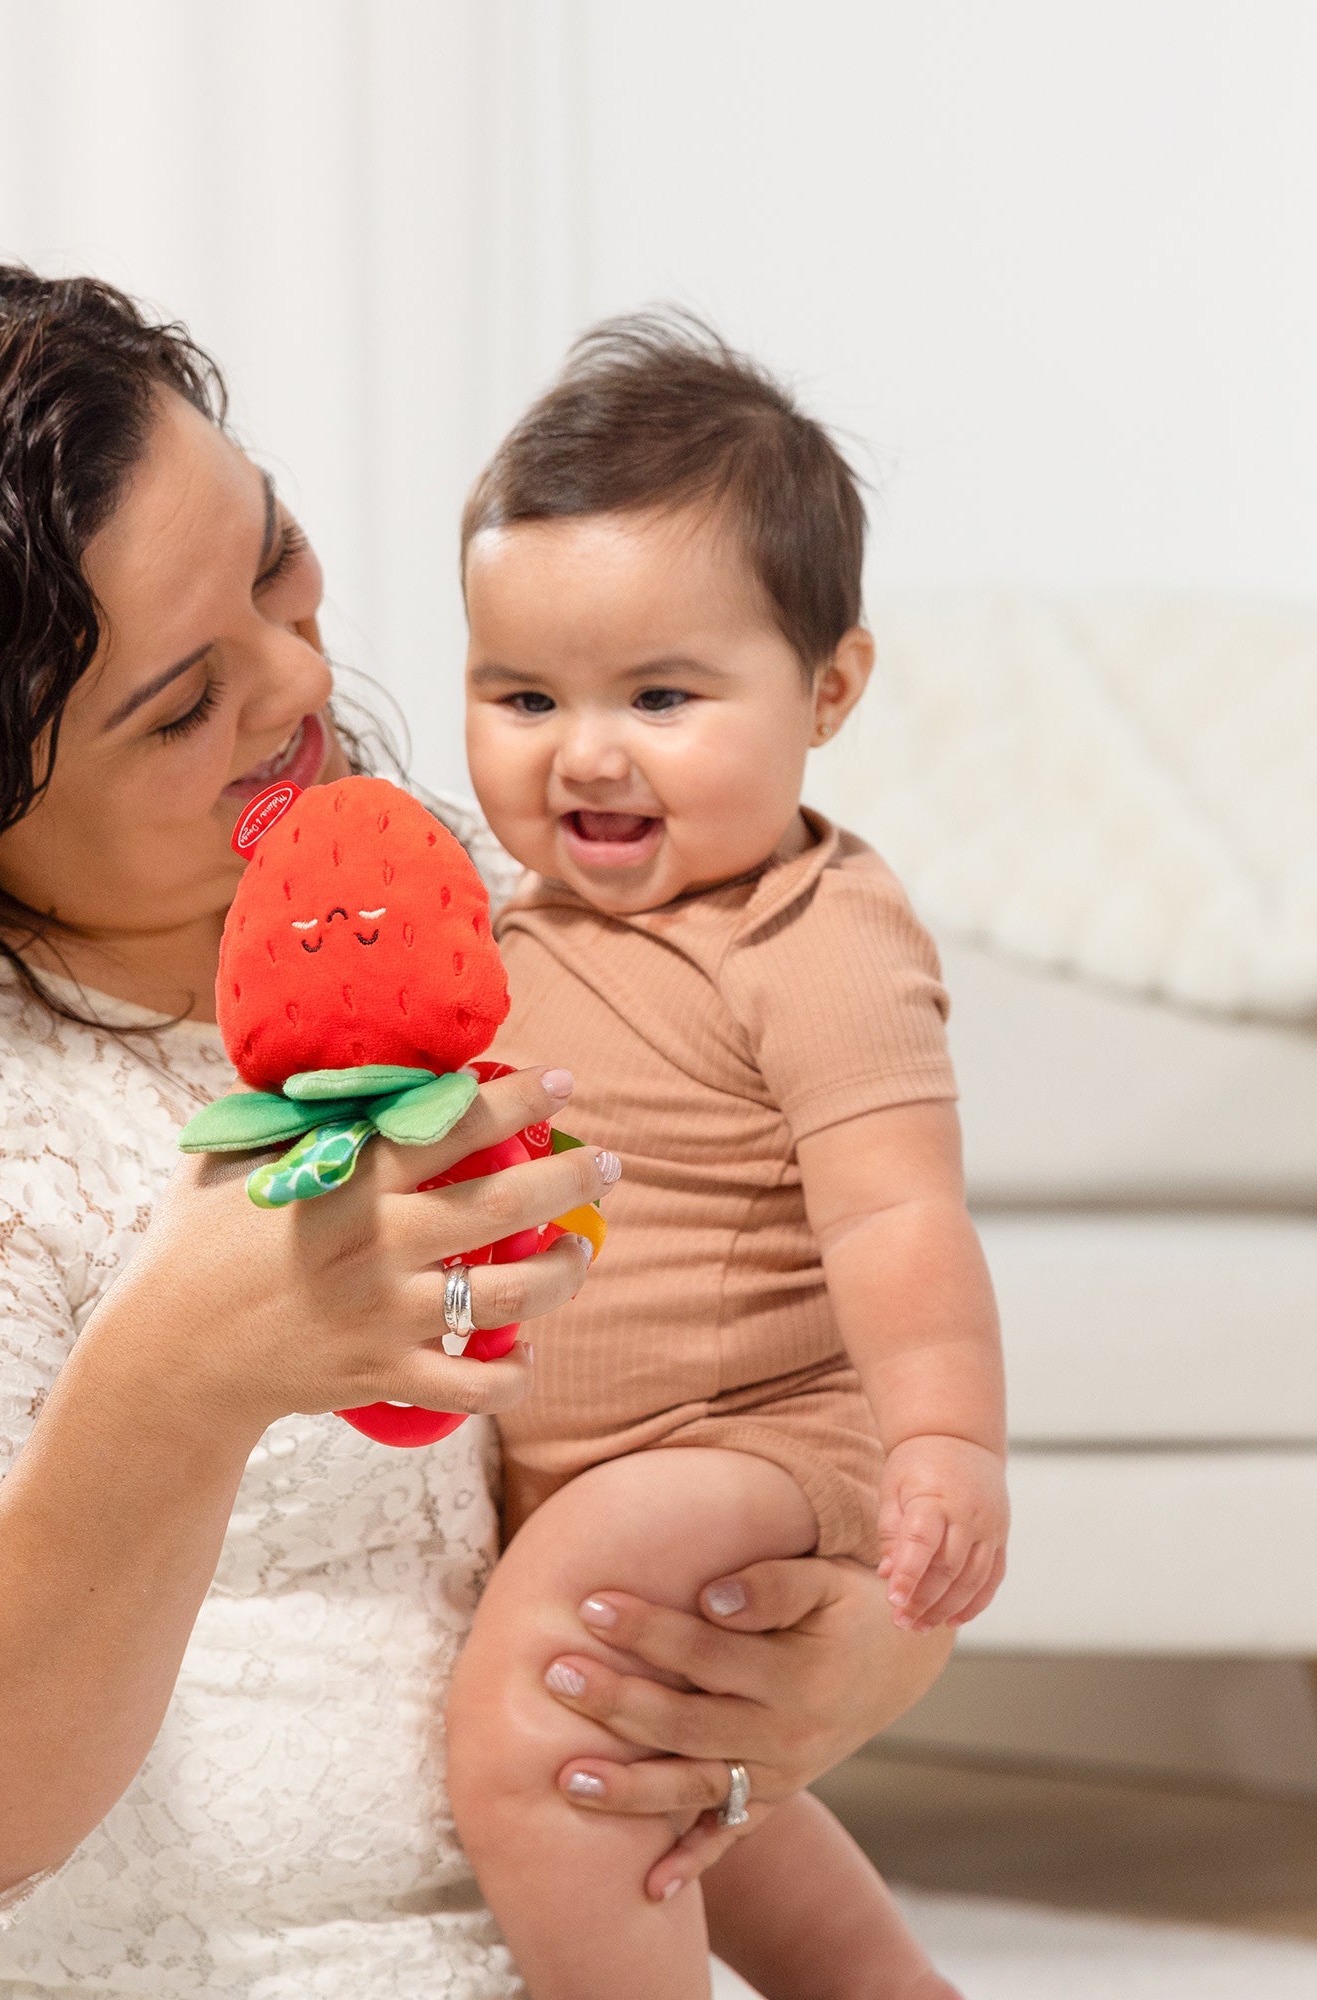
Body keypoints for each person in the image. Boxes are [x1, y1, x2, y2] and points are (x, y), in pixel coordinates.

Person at [0, 264, 951, 1999]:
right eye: (179, 706)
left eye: (276, 562)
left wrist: (852, 1643)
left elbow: (777, 1323)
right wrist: (178, 1379)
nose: (297, 685)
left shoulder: (450, 936)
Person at [445, 316, 1007, 1998]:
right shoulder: (507, 920)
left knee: (544, 1725)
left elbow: (902, 1214)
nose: (587, 751)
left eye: (663, 697)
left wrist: (949, 1444)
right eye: (523, 696)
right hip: (571, 1459)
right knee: (692, 1775)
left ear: (828, 690)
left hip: (746, 1440)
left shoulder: (811, 933)